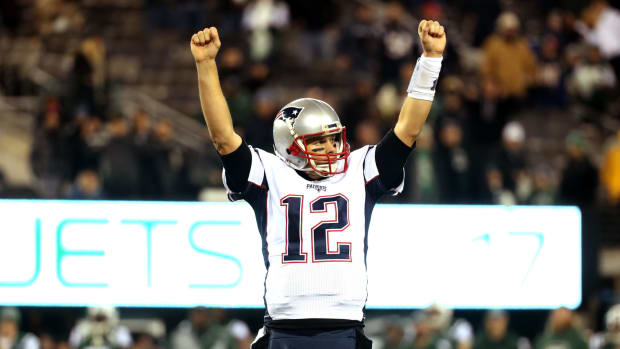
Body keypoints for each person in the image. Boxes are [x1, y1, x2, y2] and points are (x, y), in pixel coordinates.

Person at [190, 17, 446, 349]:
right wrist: (206, 64)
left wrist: (430, 61)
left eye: (334, 140)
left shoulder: (359, 167)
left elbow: (407, 131)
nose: (331, 149)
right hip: (283, 328)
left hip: (345, 326)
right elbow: (224, 139)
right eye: (318, 143)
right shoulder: (269, 172)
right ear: (289, 146)